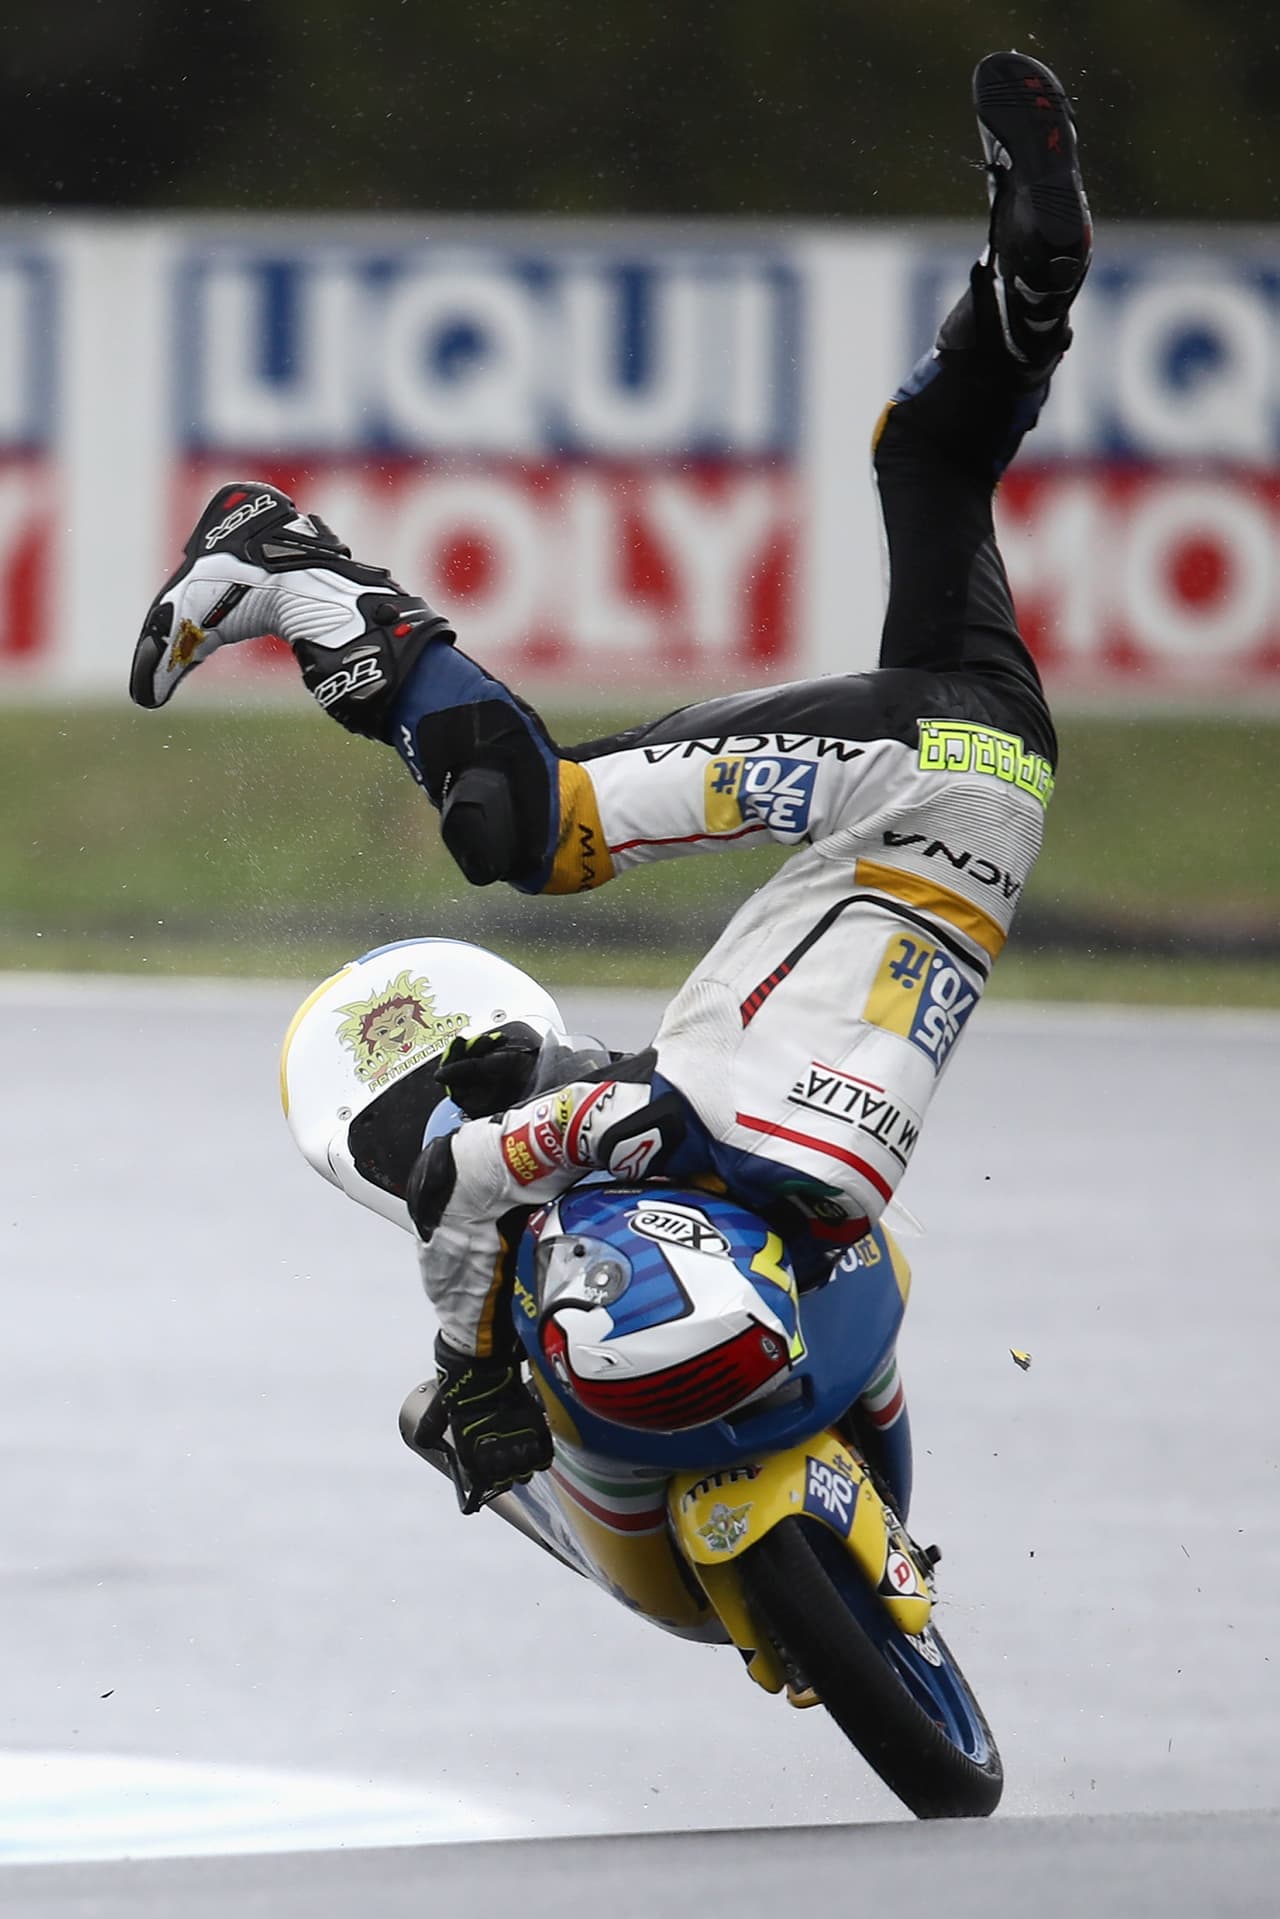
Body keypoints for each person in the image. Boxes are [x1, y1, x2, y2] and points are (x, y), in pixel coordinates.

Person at [130, 51, 1091, 1505]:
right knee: (929, 471)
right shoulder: (769, 1172)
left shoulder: (701, 1133)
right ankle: (1023, 304)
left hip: (959, 775)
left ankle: (297, 567)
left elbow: (491, 1183)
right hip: (975, 762)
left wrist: (468, 1371)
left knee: (539, 828)